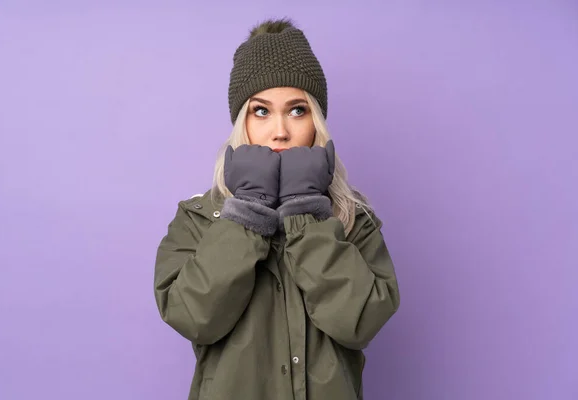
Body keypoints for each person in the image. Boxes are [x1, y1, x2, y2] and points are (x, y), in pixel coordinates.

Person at [153, 18, 400, 400]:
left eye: (298, 110)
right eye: (262, 111)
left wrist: (308, 215)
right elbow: (194, 318)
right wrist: (248, 212)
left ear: (317, 122)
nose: (280, 130)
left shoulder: (354, 220)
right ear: (242, 123)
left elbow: (360, 322)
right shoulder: (199, 219)